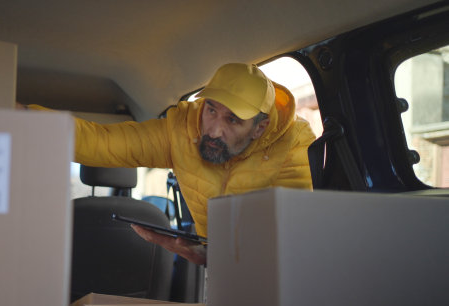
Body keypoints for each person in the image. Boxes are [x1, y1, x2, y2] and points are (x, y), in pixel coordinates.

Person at [73, 63, 315, 265]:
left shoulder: (292, 145)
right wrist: (35, 124)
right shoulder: (182, 129)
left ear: (259, 128)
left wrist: (215, 257)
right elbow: (100, 142)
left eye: (232, 119)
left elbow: (297, 243)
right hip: (221, 275)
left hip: (280, 281)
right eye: (211, 110)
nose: (214, 131)